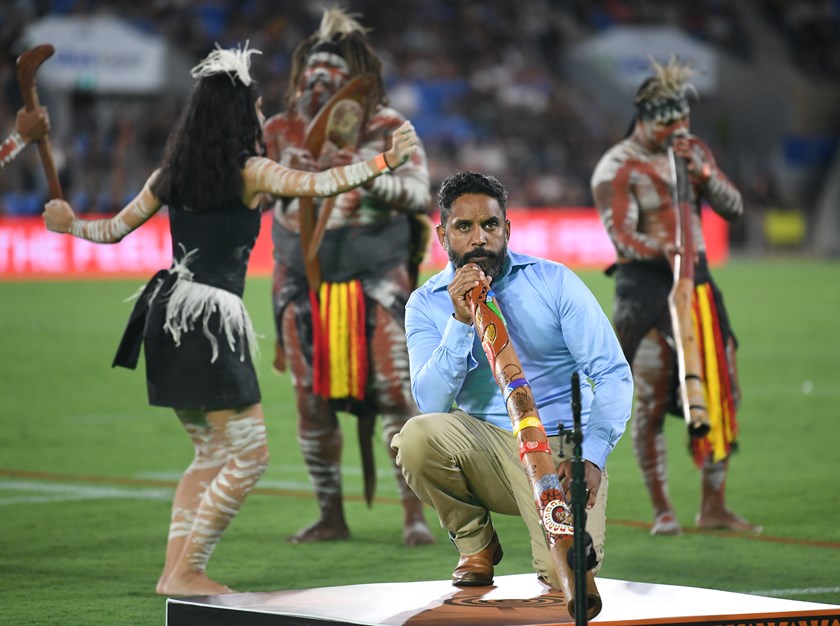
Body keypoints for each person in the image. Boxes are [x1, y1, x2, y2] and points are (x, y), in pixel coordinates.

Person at [41, 43, 420, 597]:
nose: (264, 114)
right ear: (240, 117)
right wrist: (385, 161)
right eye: (258, 107)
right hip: (211, 320)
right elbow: (318, 186)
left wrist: (69, 223)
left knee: (210, 453)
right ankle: (189, 569)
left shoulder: (170, 173)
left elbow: (112, 231)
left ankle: (174, 574)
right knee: (251, 457)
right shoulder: (251, 171)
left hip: (165, 312)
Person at [391, 171, 633, 589]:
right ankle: (475, 544)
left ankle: (554, 553)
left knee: (568, 579)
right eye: (463, 227)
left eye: (490, 224)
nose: (478, 238)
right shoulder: (426, 303)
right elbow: (430, 402)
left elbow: (611, 373)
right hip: (485, 445)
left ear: (507, 228)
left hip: (560, 449)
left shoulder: (554, 281)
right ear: (443, 235)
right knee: (415, 438)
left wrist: (592, 455)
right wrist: (459, 324)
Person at [263, 8, 434, 546]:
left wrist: (365, 170)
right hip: (302, 279)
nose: (317, 79)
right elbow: (256, 192)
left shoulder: (389, 127)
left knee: (393, 392)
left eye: (330, 68)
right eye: (310, 69)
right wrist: (292, 173)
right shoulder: (278, 130)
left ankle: (414, 515)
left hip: (376, 278)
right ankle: (330, 515)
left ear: (355, 75)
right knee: (310, 402)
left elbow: (415, 195)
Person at [591, 57, 761, 536]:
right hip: (645, 292)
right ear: (643, 119)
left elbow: (734, 207)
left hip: (700, 288)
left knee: (724, 390)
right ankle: (663, 509)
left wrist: (704, 173)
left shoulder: (692, 152)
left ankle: (714, 505)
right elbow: (620, 238)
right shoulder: (617, 165)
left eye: (683, 120)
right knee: (649, 400)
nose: (677, 129)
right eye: (667, 121)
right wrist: (665, 250)